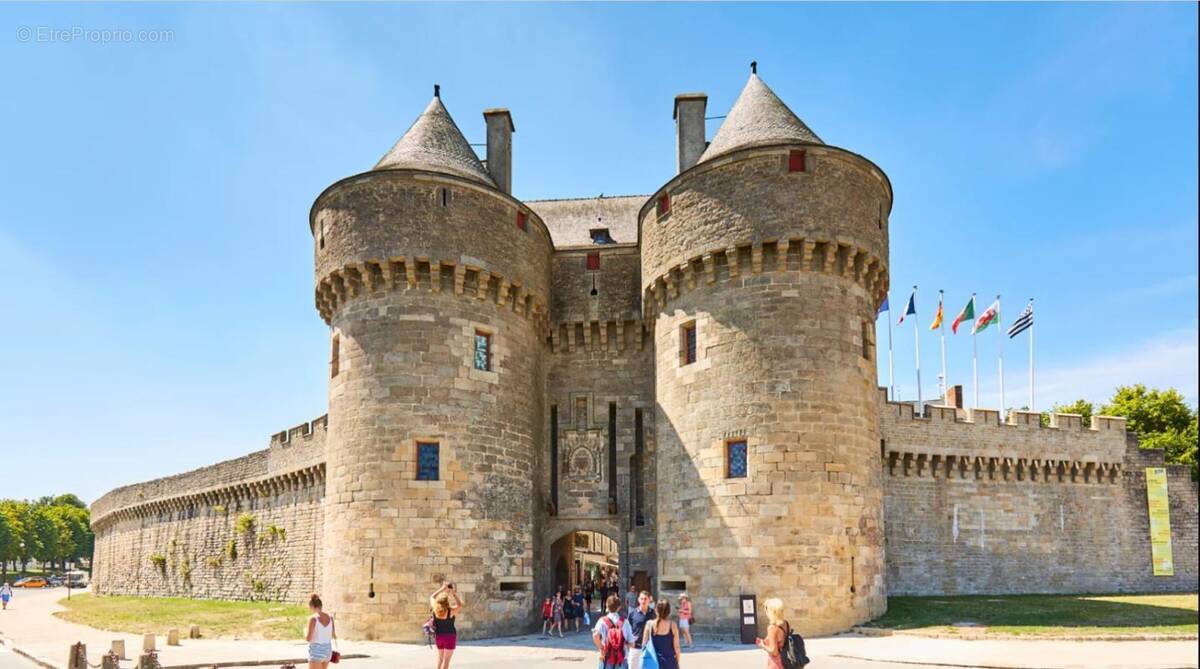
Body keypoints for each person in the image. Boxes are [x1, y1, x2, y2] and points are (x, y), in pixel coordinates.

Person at [593, 594, 636, 669]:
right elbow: (632, 644)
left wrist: (602, 648)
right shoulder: (625, 622)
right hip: (621, 659)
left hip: (607, 657)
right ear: (619, 608)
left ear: (607, 606)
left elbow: (595, 635)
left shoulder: (602, 621)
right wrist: (624, 643)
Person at [430, 582, 462, 669]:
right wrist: (454, 594)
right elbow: (459, 605)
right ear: (447, 602)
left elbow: (432, 597)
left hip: (439, 636)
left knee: (440, 659)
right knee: (446, 661)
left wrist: (442, 588)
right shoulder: (450, 612)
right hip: (450, 637)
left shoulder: (434, 609)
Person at [642, 599, 682, 669]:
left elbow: (644, 645)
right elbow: (677, 648)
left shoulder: (649, 624)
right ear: (669, 612)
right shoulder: (673, 625)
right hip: (670, 662)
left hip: (653, 662)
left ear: (656, 610)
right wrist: (676, 663)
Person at [626, 591, 656, 669]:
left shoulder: (654, 614)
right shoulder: (632, 614)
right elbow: (627, 629)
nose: (643, 601)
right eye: (641, 599)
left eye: (645, 599)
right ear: (638, 600)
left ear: (649, 600)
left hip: (649, 648)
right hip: (635, 648)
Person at [754, 598, 788, 669]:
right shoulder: (785, 623)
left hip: (776, 664)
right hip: (786, 662)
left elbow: (774, 651)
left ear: (772, 611)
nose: (765, 611)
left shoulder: (772, 628)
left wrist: (762, 645)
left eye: (766, 608)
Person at [305, 593, 336, 669]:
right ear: (321, 606)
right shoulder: (330, 618)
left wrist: (305, 632)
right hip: (327, 651)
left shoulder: (313, 619)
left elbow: (308, 638)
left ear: (312, 606)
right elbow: (333, 635)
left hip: (316, 651)